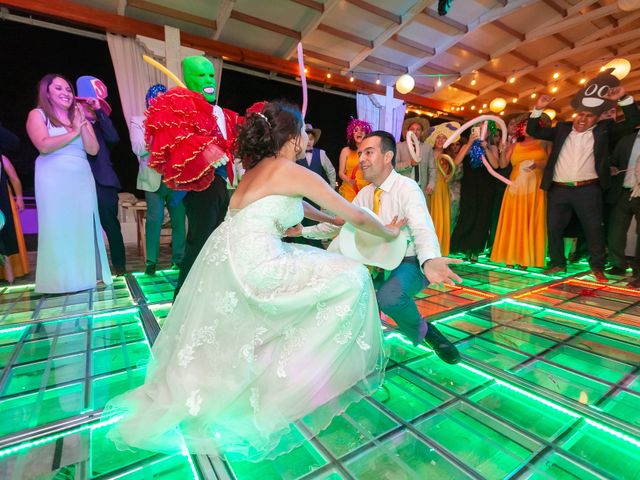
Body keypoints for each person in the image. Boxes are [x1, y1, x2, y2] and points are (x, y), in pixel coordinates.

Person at [105, 101, 404, 460]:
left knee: (284, 303)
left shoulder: (256, 171)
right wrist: (387, 232)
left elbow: (303, 209)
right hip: (259, 265)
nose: (306, 138)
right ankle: (295, 380)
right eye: (303, 131)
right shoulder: (289, 170)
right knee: (352, 276)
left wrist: (324, 219)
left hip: (227, 260)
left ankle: (267, 372)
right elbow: (353, 212)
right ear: (292, 138)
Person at [298, 131, 462, 364]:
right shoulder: (364, 194)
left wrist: (430, 259)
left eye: (369, 152)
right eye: (361, 153)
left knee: (389, 298)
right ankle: (362, 348)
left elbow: (422, 226)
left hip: (409, 261)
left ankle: (426, 333)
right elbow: (340, 224)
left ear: (387, 157)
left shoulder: (407, 187)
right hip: (376, 262)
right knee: (349, 290)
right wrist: (303, 232)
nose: (362, 158)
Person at [527, 69, 639, 281]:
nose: (582, 119)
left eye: (588, 116)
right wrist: (539, 108)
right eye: (580, 114)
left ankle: (597, 266)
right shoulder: (562, 128)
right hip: (559, 188)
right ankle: (558, 264)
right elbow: (535, 130)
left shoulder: (604, 131)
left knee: (593, 228)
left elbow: (633, 121)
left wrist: (623, 98)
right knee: (554, 228)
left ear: (597, 118)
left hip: (588, 189)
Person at [145, 56, 239, 297]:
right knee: (200, 242)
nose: (208, 80)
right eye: (200, 75)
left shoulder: (222, 113)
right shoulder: (179, 104)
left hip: (221, 184)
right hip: (198, 186)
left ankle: (208, 294)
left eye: (210, 75)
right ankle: (184, 298)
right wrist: (208, 150)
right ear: (188, 78)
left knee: (217, 241)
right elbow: (174, 143)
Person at [26, 74, 112, 293]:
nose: (66, 93)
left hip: (81, 177)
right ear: (47, 92)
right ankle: (59, 281)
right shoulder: (37, 115)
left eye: (68, 89)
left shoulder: (79, 116)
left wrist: (80, 123)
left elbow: (93, 149)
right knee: (58, 226)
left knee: (81, 227)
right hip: (52, 177)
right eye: (58, 89)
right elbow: (43, 145)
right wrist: (73, 131)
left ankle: (83, 278)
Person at [130, 84, 186, 276]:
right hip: (152, 179)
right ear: (149, 101)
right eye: (156, 99)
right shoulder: (138, 121)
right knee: (154, 220)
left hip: (175, 178)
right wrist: (158, 131)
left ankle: (178, 260)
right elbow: (138, 148)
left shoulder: (176, 121)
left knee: (179, 220)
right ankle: (151, 263)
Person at [77, 76, 127, 276]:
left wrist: (98, 110)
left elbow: (114, 138)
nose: (87, 108)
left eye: (92, 105)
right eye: (85, 104)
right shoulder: (70, 126)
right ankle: (89, 269)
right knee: (83, 228)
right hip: (78, 183)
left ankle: (120, 267)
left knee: (111, 227)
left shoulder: (101, 127)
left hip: (104, 184)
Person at [491, 114, 551, 268]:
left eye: (529, 125)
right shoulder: (514, 145)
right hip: (516, 186)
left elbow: (550, 162)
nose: (525, 128)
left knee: (531, 219)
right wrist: (502, 151)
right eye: (523, 125)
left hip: (535, 187)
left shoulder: (544, 142)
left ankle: (526, 258)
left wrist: (537, 165)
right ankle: (511, 256)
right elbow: (503, 165)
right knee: (514, 219)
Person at [450, 128, 500, 262]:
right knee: (468, 215)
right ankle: (465, 247)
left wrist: (486, 148)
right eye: (478, 129)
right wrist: (470, 143)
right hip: (469, 186)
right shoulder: (467, 146)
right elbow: (455, 162)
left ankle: (476, 250)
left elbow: (496, 165)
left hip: (486, 187)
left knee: (482, 218)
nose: (481, 131)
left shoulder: (492, 147)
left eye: (484, 129)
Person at [606, 129, 640, 283]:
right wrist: (612, 167)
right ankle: (618, 264)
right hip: (623, 191)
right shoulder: (626, 139)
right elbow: (613, 160)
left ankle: (638, 270)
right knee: (616, 231)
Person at [425, 122, 461, 256]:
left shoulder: (448, 158)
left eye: (444, 138)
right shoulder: (427, 153)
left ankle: (439, 249)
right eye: (438, 137)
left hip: (443, 191)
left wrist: (469, 143)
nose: (440, 140)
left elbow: (454, 167)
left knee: (441, 218)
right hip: (430, 190)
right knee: (430, 218)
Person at [0, 155, 29, 282]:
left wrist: (19, 197)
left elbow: (14, 178)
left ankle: (10, 273)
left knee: (7, 234)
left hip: (3, 199)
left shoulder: (2, 158)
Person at [396, 117, 436, 196]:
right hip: (404, 187)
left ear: (422, 132)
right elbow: (393, 167)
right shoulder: (399, 146)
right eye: (412, 129)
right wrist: (409, 163)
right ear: (407, 132)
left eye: (418, 129)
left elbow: (432, 168)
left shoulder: (427, 148)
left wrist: (431, 184)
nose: (415, 131)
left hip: (421, 188)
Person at [338, 118, 371, 201]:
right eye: (356, 130)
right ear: (352, 134)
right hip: (350, 188)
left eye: (362, 130)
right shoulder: (345, 151)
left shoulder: (370, 151)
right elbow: (341, 173)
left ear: (366, 134)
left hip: (366, 188)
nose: (359, 132)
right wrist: (350, 181)